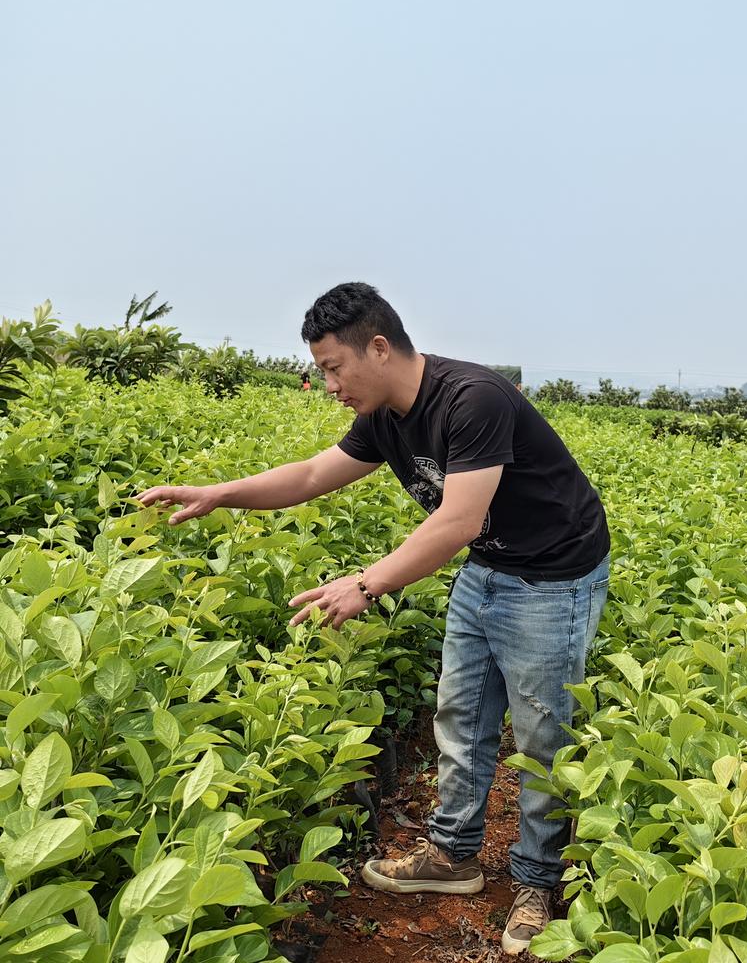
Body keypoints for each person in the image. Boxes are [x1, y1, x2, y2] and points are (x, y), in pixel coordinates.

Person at [137, 282, 610, 956]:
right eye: (321, 370)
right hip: (489, 569)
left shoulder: (471, 400)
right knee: (460, 714)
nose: (327, 383)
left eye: (333, 367)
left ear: (378, 348)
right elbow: (307, 476)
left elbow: (457, 520)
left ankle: (536, 882)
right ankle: (453, 857)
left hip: (553, 577)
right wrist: (220, 493)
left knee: (539, 736)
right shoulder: (384, 417)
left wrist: (367, 583)